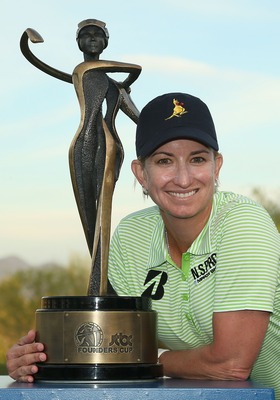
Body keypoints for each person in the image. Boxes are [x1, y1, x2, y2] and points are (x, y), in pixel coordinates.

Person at [6, 93, 280, 399]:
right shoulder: (132, 235)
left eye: (198, 159)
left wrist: (150, 361)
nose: (183, 177)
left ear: (216, 166)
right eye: (164, 161)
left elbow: (231, 364)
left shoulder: (243, 222)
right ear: (141, 174)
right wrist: (39, 358)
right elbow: (110, 342)